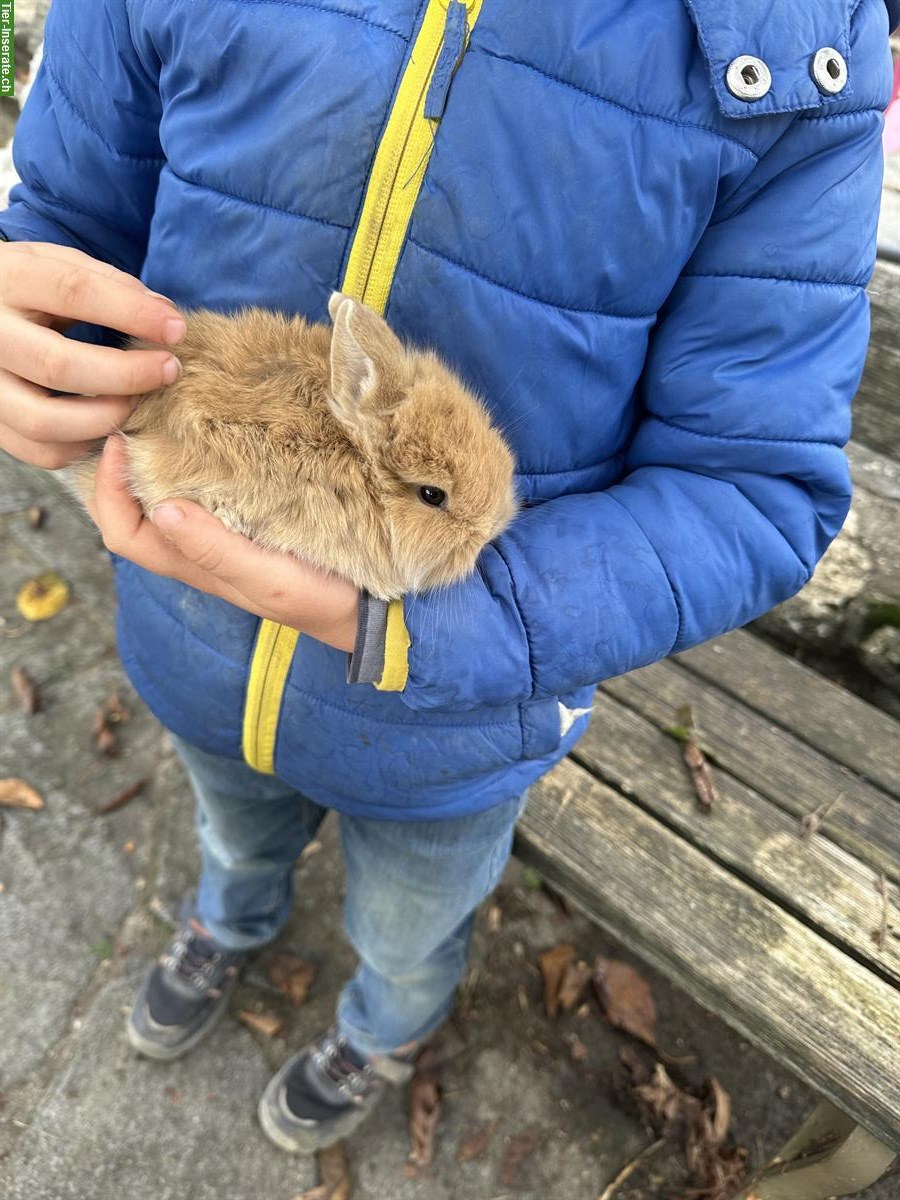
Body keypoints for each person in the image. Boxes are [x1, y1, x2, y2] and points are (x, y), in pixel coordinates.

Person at [0, 0, 896, 1155]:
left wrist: (439, 633)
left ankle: (383, 1027)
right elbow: (67, 220)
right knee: (232, 827)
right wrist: (37, 338)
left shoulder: (799, 45)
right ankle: (230, 919)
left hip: (458, 730)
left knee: (411, 920)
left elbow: (755, 486)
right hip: (193, 637)